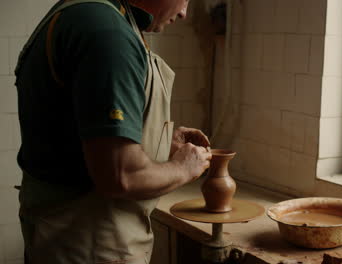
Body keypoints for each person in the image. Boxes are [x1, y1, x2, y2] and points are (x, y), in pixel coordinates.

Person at [15, 0, 212, 263]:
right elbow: (121, 175)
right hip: (88, 245)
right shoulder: (107, 32)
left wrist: (161, 142)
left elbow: (79, 136)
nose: (185, 13)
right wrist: (184, 167)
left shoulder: (86, 12)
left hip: (60, 238)